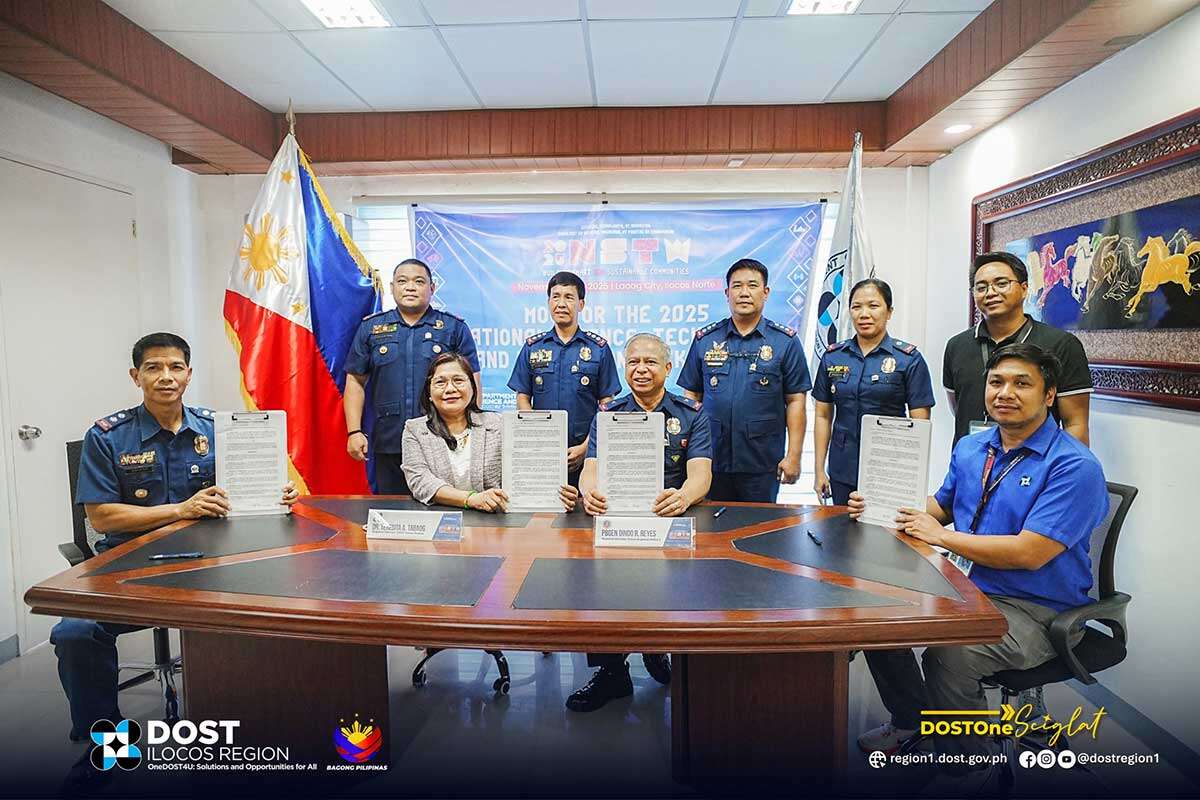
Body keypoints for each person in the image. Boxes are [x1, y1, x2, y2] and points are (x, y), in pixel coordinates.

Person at [851, 343, 1107, 791]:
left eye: (1022, 383)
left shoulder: (1074, 465)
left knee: (951, 655)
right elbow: (942, 506)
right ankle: (915, 721)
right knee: (874, 617)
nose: (1005, 393)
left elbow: (1030, 552)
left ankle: (968, 764)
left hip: (1036, 608)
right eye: (996, 382)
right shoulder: (973, 446)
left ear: (1049, 395)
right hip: (963, 585)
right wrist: (883, 506)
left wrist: (941, 537)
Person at [52, 332, 298, 788]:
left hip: (210, 563)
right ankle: (105, 742)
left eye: (175, 367)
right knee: (76, 631)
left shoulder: (217, 429)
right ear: (136, 376)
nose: (165, 377)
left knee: (275, 605)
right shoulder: (107, 436)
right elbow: (102, 517)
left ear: (188, 374)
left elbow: (247, 493)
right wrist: (180, 510)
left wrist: (276, 493)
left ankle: (246, 730)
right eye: (153, 368)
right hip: (131, 565)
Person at [566, 333, 713, 712]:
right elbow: (591, 468)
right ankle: (612, 672)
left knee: (669, 590)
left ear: (668, 368)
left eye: (650, 362)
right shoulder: (608, 414)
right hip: (617, 517)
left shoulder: (691, 414)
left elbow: (701, 474)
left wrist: (683, 497)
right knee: (602, 590)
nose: (641, 369)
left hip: (670, 516)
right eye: (633, 362)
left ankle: (654, 646)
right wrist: (588, 491)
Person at [679, 258, 810, 503]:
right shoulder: (705, 340)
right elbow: (691, 397)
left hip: (762, 460)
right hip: (710, 458)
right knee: (709, 522)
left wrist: (794, 455)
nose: (744, 292)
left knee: (760, 524)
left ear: (766, 292)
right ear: (727, 293)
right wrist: (688, 448)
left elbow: (796, 401)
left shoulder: (785, 342)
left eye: (752, 285)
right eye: (737, 286)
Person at [345, 258, 480, 495]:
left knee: (443, 506)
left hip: (442, 438)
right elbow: (355, 382)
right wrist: (354, 431)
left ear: (432, 288)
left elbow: (472, 383)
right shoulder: (371, 329)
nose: (410, 287)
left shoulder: (453, 328)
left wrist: (472, 434)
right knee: (392, 510)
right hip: (390, 440)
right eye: (402, 281)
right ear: (392, 287)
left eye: (419, 281)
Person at [943, 251, 1092, 446]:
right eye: (981, 287)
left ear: (1024, 289)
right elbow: (959, 409)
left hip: (1036, 461)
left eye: (1001, 283)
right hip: (971, 459)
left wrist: (1070, 464)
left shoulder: (1061, 344)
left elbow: (1075, 423)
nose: (990, 292)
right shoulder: (956, 346)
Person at [403, 352, 578, 512]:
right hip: (440, 522)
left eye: (458, 380)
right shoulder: (415, 430)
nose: (450, 389)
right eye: (440, 382)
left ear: (473, 388)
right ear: (429, 392)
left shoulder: (499, 424)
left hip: (494, 523)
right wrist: (471, 499)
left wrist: (555, 494)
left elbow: (529, 472)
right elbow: (420, 481)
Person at [813, 278, 935, 505]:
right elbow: (822, 415)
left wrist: (914, 480)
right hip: (842, 468)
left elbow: (920, 426)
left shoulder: (909, 359)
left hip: (889, 469)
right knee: (841, 526)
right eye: (856, 307)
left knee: (885, 528)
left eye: (873, 306)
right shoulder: (833, 357)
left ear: (889, 312)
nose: (864, 314)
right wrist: (819, 470)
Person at [507, 271, 620, 486]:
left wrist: (587, 447)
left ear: (581, 304)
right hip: (542, 454)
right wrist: (538, 438)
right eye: (555, 297)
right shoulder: (532, 348)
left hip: (588, 456)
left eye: (569, 297)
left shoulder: (599, 349)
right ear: (548, 303)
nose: (561, 304)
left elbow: (607, 405)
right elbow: (523, 397)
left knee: (588, 503)